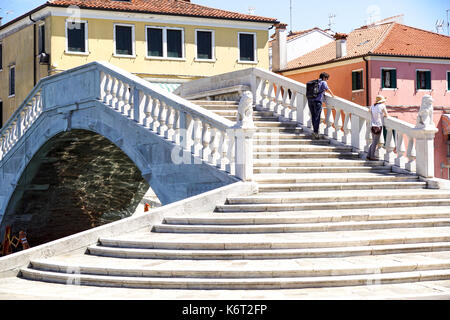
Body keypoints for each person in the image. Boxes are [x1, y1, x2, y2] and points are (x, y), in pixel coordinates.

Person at [307, 72, 335, 139]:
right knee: (317, 117)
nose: (327, 80)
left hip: (310, 100)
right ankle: (316, 132)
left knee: (313, 116)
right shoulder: (323, 82)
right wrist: (333, 96)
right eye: (327, 78)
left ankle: (314, 131)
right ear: (324, 78)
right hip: (317, 101)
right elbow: (327, 89)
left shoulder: (315, 82)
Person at [367, 95, 389, 161]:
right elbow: (386, 114)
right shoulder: (382, 106)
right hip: (378, 126)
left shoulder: (373, 106)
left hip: (372, 125)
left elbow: (369, 111)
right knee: (375, 142)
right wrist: (382, 115)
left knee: (373, 141)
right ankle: (372, 156)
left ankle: (369, 155)